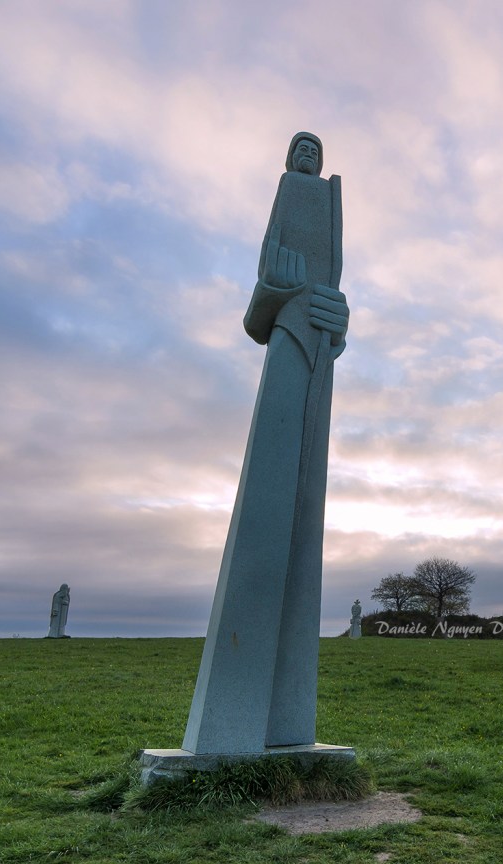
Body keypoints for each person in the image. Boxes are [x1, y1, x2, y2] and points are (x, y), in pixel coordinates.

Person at [183, 132, 349, 755]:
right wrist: (279, 296)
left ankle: (284, 728)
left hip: (316, 349)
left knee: (305, 517)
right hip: (287, 337)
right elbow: (260, 308)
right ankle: (230, 732)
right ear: (287, 161)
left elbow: (329, 289)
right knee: (272, 496)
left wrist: (337, 319)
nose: (307, 157)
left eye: (315, 150)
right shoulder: (287, 198)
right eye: (299, 149)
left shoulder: (330, 205)